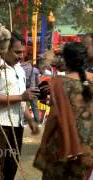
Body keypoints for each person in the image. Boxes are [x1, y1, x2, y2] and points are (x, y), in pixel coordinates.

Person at [34, 42, 93, 180]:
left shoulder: (59, 82)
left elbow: (54, 116)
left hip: (63, 146)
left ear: (65, 60)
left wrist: (43, 144)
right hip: (88, 147)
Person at [0, 32, 39, 180]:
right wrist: (21, 97)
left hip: (17, 127)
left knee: (12, 167)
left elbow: (22, 101)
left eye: (23, 52)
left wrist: (30, 121)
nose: (21, 56)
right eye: (17, 52)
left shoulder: (19, 69)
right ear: (5, 49)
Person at [21, 58, 41, 124]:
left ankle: (25, 120)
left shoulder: (21, 69)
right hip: (33, 90)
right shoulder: (35, 70)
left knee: (25, 106)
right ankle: (37, 121)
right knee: (34, 106)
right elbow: (38, 82)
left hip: (24, 91)